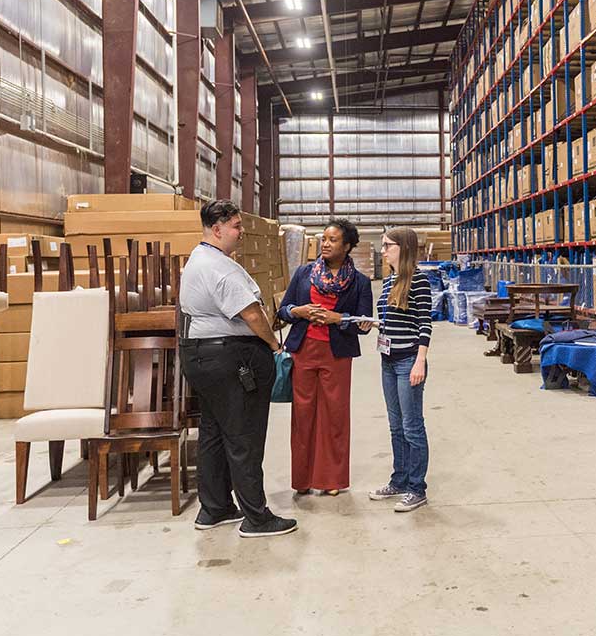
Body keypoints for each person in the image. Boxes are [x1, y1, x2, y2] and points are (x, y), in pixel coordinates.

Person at [178, 199, 297, 538]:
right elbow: (253, 314)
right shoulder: (221, 269)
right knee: (243, 435)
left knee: (214, 433)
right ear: (217, 230)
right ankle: (257, 517)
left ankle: (215, 508)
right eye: (236, 227)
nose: (241, 233)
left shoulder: (198, 259)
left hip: (200, 355)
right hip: (230, 358)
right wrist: (274, 345)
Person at [277, 219, 374, 496]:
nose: (326, 244)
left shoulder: (359, 283)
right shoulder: (304, 274)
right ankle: (303, 480)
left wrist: (338, 318)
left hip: (337, 355)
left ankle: (331, 480)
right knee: (303, 415)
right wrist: (300, 311)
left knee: (335, 416)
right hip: (303, 352)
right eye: (324, 239)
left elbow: (363, 324)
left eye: (333, 240)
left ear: (347, 246)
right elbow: (283, 311)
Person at [368, 227, 433, 512]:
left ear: (403, 248)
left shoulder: (418, 280)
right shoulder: (389, 281)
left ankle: (417, 488)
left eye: (387, 246)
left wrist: (420, 361)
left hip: (409, 361)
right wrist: (372, 324)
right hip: (388, 360)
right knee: (396, 426)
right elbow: (391, 320)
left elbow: (424, 324)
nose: (382, 251)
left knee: (412, 426)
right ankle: (400, 480)